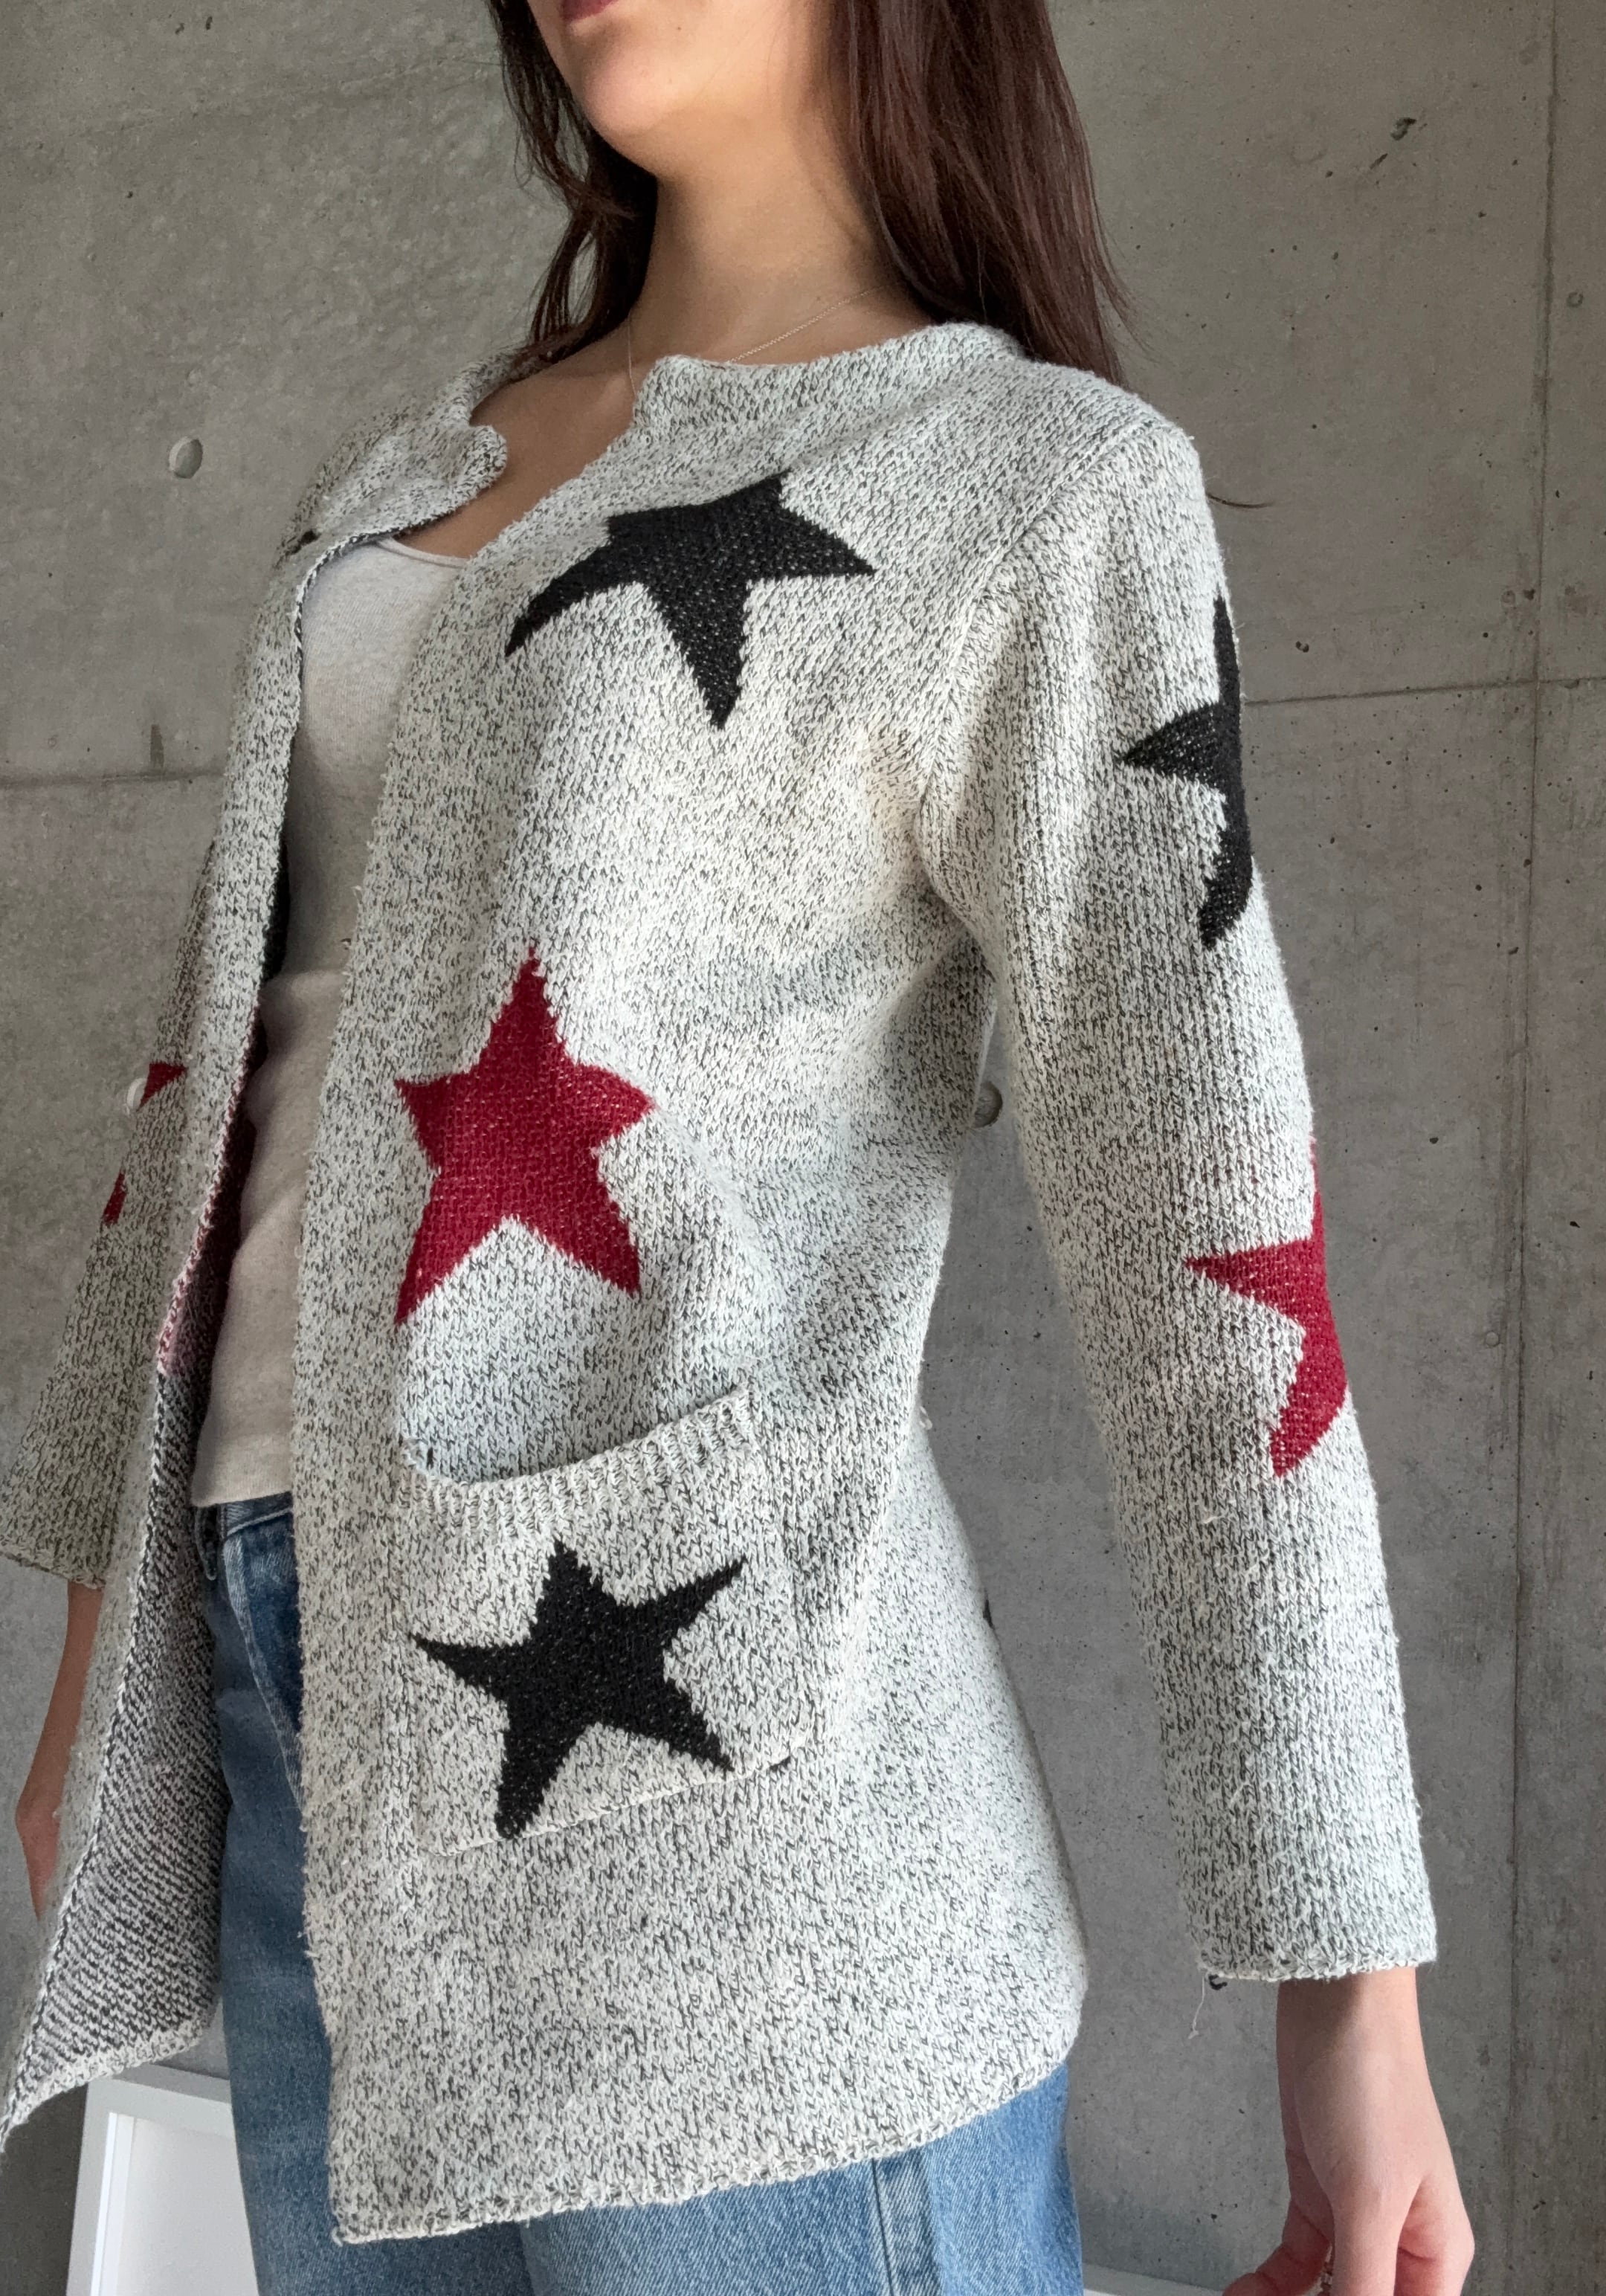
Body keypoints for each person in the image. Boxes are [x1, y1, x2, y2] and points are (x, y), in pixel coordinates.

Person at [4, 0, 1474, 2290]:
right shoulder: (424, 461)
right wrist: (103, 1647)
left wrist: (1345, 1988)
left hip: (735, 1835)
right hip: (310, 1722)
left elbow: (1211, 1259)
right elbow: (208, 1089)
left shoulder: (1029, 478)